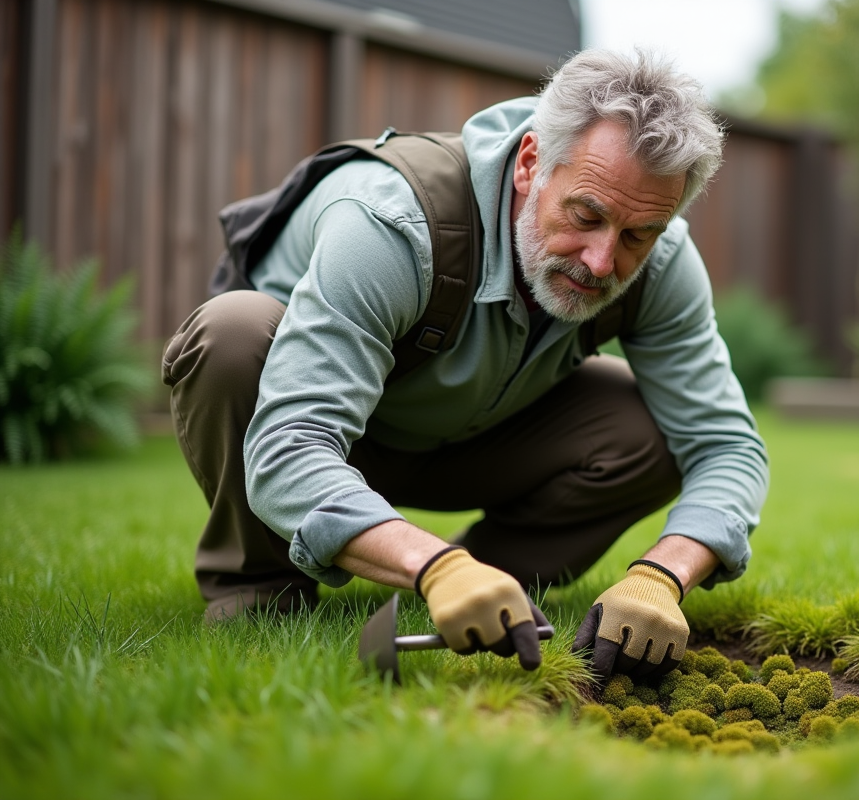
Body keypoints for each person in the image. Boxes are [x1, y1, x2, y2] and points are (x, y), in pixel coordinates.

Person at [161, 49, 768, 679]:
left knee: (647, 426)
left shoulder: (662, 262)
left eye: (638, 234)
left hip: (474, 438)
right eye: (586, 216)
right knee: (230, 335)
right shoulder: (395, 224)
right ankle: (261, 589)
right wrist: (434, 568)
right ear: (531, 163)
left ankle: (490, 584)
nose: (600, 260)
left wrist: (662, 575)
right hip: (318, 431)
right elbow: (291, 442)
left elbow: (726, 445)